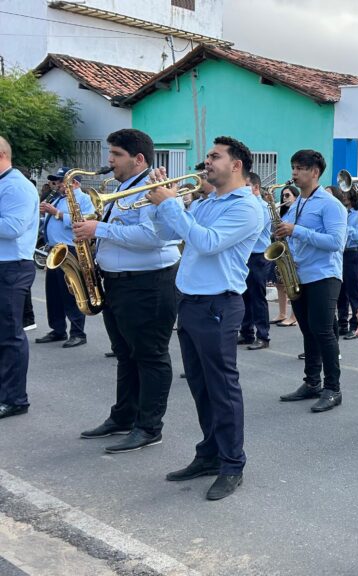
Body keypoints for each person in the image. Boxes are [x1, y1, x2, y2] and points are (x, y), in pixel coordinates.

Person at [148, 136, 261, 501]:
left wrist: (173, 207)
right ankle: (210, 453)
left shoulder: (247, 207)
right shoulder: (207, 201)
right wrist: (162, 200)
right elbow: (167, 234)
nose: (206, 162)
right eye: (208, 156)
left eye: (215, 157)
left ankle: (232, 463)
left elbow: (209, 242)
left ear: (236, 165)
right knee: (200, 385)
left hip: (218, 305)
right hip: (192, 302)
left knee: (222, 388)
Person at [74, 129, 180, 453]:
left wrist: (99, 228)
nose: (109, 161)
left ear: (138, 159)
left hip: (149, 283)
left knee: (150, 356)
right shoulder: (121, 188)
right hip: (120, 282)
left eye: (116, 154)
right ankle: (123, 416)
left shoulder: (153, 189)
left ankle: (149, 427)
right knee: (125, 354)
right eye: (110, 153)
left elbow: (154, 236)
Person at [276, 150, 347, 413]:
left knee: (323, 331)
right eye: (293, 167)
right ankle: (312, 382)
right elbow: (293, 237)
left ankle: (333, 388)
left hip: (324, 275)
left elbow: (336, 243)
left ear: (315, 172)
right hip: (299, 275)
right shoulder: (297, 204)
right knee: (308, 330)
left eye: (300, 168)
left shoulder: (331, 205)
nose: (294, 173)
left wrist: (296, 230)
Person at [0, 136, 40, 420]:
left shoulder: (17, 186)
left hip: (11, 266)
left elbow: (13, 227)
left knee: (9, 335)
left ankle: (15, 399)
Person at [36, 167, 92, 348]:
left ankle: (77, 332)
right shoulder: (59, 198)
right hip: (55, 249)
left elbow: (85, 221)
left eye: (61, 181)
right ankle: (57, 329)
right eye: (57, 181)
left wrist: (57, 213)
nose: (58, 185)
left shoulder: (83, 199)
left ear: (74, 183)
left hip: (70, 250)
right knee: (53, 293)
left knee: (72, 292)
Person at [238, 171, 272, 350]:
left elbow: (251, 230)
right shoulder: (247, 206)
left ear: (256, 187)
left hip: (258, 256)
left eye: (246, 186)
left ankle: (263, 335)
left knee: (257, 296)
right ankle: (246, 332)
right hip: (246, 255)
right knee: (244, 295)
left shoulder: (262, 207)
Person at [334, 186, 358, 339]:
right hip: (339, 254)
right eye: (342, 193)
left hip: (351, 253)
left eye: (347, 193)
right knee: (340, 291)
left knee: (353, 291)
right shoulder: (340, 211)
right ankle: (342, 323)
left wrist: (344, 227)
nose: (344, 196)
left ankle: (356, 325)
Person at [272, 184, 298, 326]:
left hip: (293, 251)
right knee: (280, 284)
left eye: (287, 195)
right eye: (283, 195)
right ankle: (282, 313)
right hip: (282, 250)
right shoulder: (283, 212)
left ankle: (294, 316)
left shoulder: (296, 211)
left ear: (295, 196)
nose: (284, 198)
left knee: (292, 285)